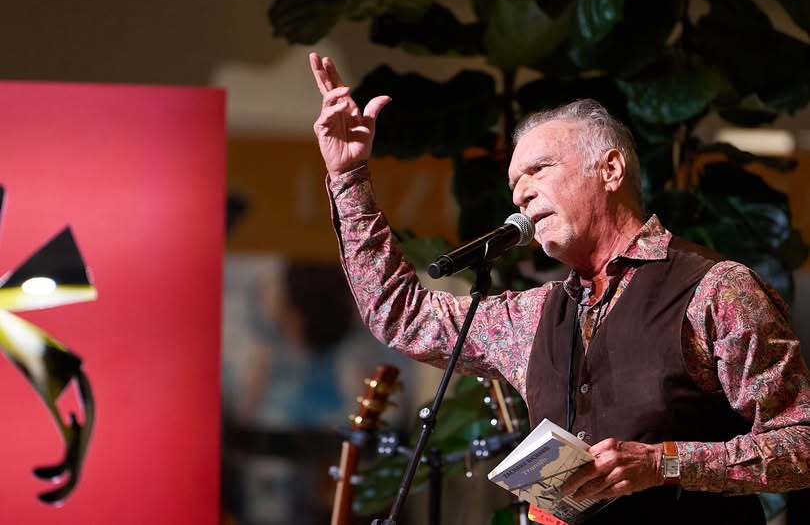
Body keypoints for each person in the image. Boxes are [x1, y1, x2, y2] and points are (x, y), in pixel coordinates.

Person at [308, 52, 810, 524]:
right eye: (513, 184)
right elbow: (402, 315)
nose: (521, 191)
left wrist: (666, 463)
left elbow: (800, 443)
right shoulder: (531, 317)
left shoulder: (717, 289)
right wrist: (348, 174)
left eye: (538, 170)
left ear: (610, 170)